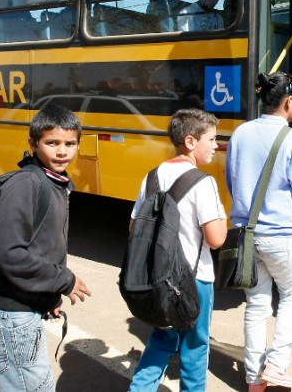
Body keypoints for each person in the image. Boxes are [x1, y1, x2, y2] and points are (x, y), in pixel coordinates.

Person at [0, 104, 92, 392]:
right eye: (52, 143)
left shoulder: (55, 182)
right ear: (33, 144)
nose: (62, 151)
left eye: (70, 143)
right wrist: (64, 280)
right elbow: (9, 253)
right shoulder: (26, 183)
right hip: (9, 318)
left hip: (22, 312)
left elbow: (40, 247)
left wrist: (46, 296)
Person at [225, 72, 292, 392]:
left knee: (256, 306)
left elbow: (232, 181)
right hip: (282, 237)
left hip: (247, 236)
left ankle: (254, 380)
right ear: (288, 101)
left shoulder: (240, 134)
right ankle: (277, 364)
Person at [128, 109, 228, 392]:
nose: (216, 145)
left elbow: (135, 226)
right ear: (190, 141)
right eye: (211, 139)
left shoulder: (151, 177)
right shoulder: (203, 182)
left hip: (159, 276)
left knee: (162, 338)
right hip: (194, 279)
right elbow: (217, 238)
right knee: (195, 345)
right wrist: (222, 214)